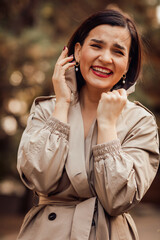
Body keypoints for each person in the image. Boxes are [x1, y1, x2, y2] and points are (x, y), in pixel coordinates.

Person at [17, 8, 159, 240]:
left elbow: (119, 199)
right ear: (78, 50)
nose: (105, 58)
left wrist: (107, 125)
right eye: (96, 46)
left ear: (127, 63)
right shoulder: (45, 109)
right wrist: (62, 103)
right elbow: (38, 178)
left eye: (118, 51)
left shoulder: (140, 122)